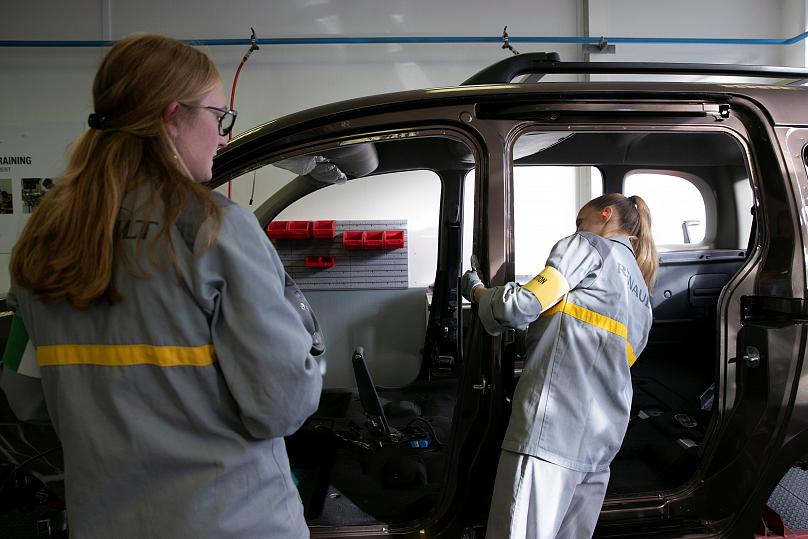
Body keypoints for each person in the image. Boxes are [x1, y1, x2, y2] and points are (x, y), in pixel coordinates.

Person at [0, 34, 322, 538]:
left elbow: (25, 398)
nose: (223, 138)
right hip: (236, 524)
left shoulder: (45, 239)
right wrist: (312, 357)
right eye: (219, 117)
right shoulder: (217, 229)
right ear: (173, 117)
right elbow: (282, 404)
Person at [461, 193, 657, 539]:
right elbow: (583, 342)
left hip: (550, 434)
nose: (578, 229)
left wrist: (476, 290)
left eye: (581, 221)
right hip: (600, 445)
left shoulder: (588, 246)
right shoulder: (642, 295)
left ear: (606, 214)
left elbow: (519, 306)